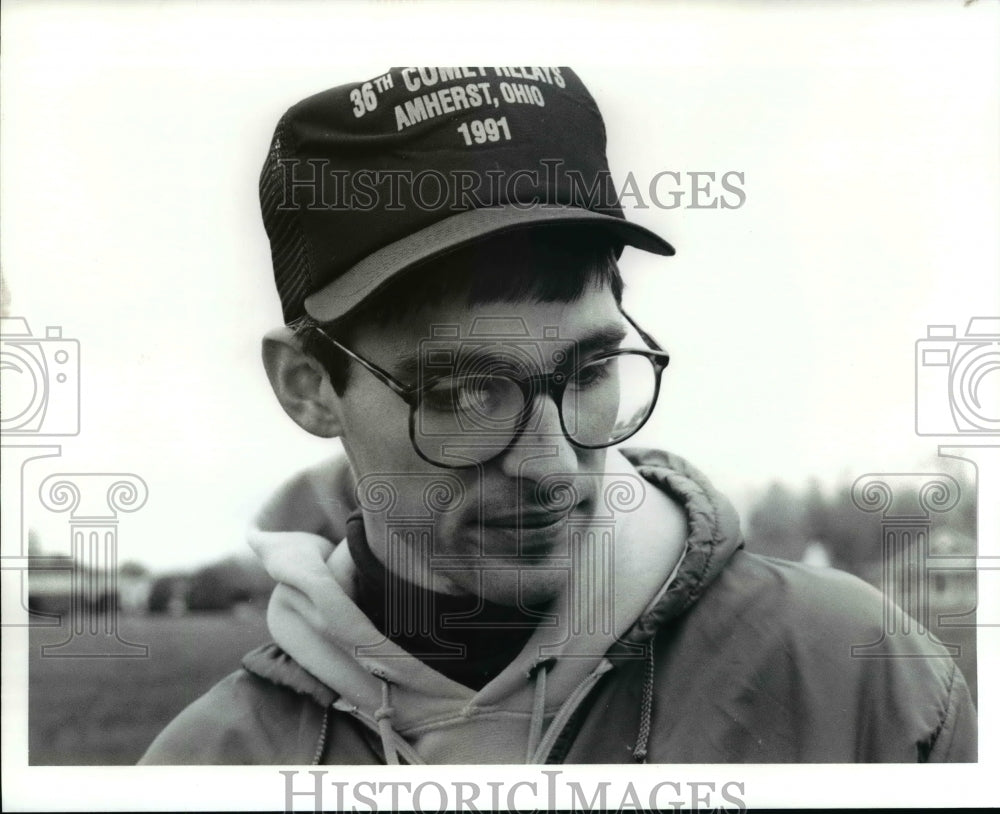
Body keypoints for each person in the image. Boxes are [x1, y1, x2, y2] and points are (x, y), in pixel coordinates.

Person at [140, 67, 976, 764]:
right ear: (309, 387)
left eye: (589, 371)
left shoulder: (864, 682)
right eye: (463, 392)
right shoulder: (204, 767)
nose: (548, 464)